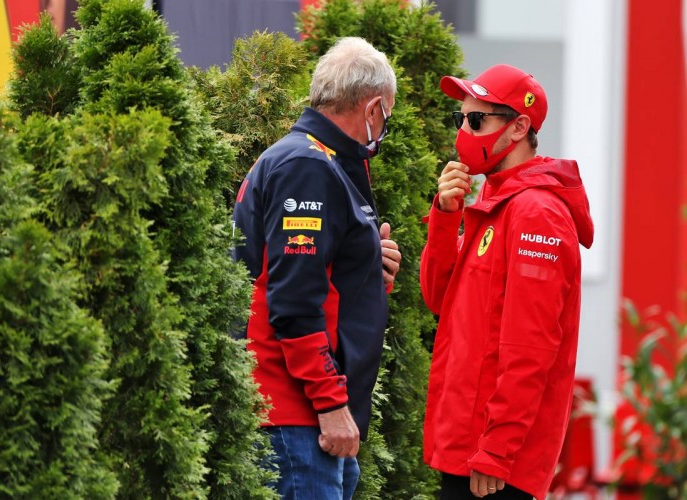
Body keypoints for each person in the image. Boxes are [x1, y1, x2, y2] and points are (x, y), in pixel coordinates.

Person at [232, 37, 401, 499]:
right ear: (372, 109)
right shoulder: (307, 166)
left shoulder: (308, 159)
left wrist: (369, 270)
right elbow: (293, 301)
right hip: (296, 418)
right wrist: (330, 404)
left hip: (302, 417)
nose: (383, 129)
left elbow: (312, 278)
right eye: (386, 116)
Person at [420, 64, 594, 500]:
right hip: (466, 448)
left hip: (496, 465)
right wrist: (446, 217)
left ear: (518, 127)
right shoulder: (494, 200)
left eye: (476, 120)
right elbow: (440, 299)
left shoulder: (536, 213)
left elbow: (531, 347)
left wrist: (497, 449)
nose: (463, 132)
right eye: (460, 118)